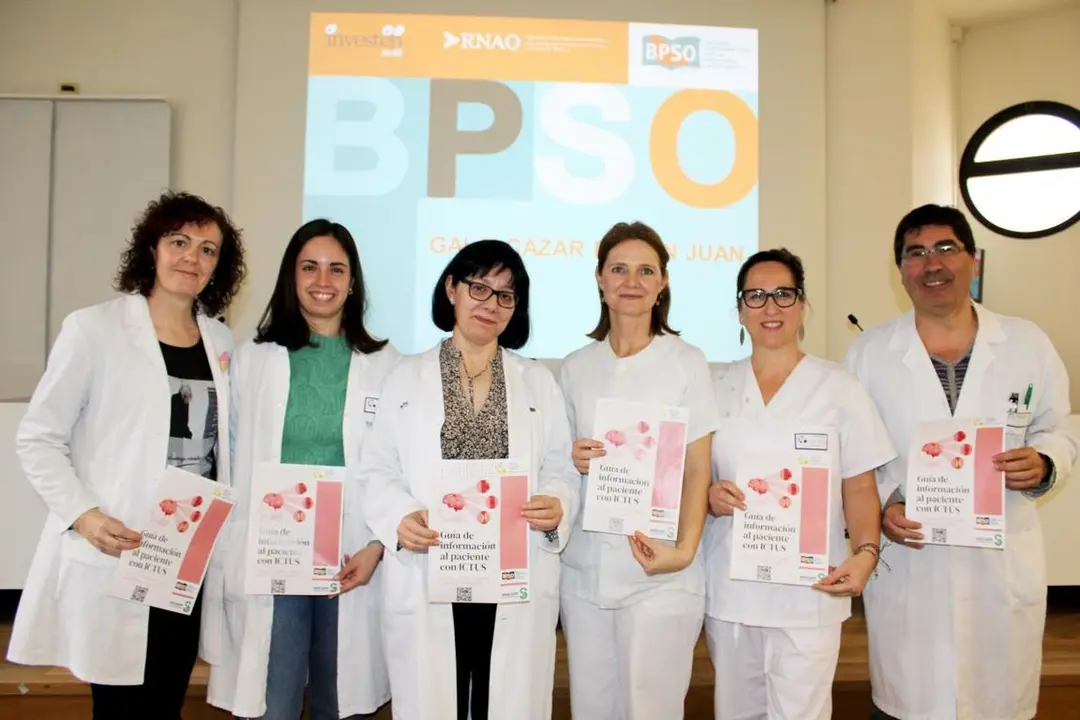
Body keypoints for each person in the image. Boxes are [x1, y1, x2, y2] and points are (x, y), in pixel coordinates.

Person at [7, 191, 246, 719]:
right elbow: (39, 437)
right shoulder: (94, 329)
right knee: (119, 704)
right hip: (120, 543)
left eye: (208, 249)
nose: (192, 257)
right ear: (152, 248)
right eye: (179, 242)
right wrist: (84, 515)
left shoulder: (221, 339)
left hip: (188, 552)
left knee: (166, 695)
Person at [843, 204, 1079, 720]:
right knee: (910, 701)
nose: (932, 264)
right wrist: (884, 504)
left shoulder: (1026, 343)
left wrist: (1044, 461)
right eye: (916, 253)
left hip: (999, 563)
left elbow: (1058, 428)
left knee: (997, 701)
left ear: (973, 259)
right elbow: (855, 456)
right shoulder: (869, 354)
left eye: (946, 248)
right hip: (914, 562)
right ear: (900, 270)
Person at [359, 239, 579, 720]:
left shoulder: (536, 381)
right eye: (479, 287)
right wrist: (399, 516)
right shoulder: (405, 376)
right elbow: (376, 467)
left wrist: (556, 501)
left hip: (509, 571)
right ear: (451, 289)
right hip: (435, 565)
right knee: (438, 696)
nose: (491, 303)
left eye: (506, 294)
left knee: (504, 697)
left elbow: (561, 466)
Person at [206, 219, 399, 719]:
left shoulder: (386, 364)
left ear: (353, 281)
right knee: (275, 698)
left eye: (337, 269)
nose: (323, 280)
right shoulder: (254, 358)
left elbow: (399, 465)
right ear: (291, 276)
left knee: (341, 698)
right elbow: (229, 455)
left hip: (351, 552)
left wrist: (377, 544)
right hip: (276, 550)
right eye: (309, 267)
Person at [703, 248, 895, 720]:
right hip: (732, 588)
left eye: (783, 294)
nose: (770, 307)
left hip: (811, 589)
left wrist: (866, 552)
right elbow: (695, 478)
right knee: (735, 711)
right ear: (740, 309)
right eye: (756, 295)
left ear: (803, 304)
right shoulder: (714, 385)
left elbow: (859, 485)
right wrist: (709, 497)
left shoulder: (840, 388)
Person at [556, 221, 720, 719]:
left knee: (652, 709)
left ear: (663, 282)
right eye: (619, 269)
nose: (632, 281)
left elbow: (698, 467)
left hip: (661, 574)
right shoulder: (575, 367)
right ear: (599, 278)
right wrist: (572, 456)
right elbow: (556, 462)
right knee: (591, 708)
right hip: (585, 572)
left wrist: (684, 550)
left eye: (646, 270)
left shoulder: (686, 361)